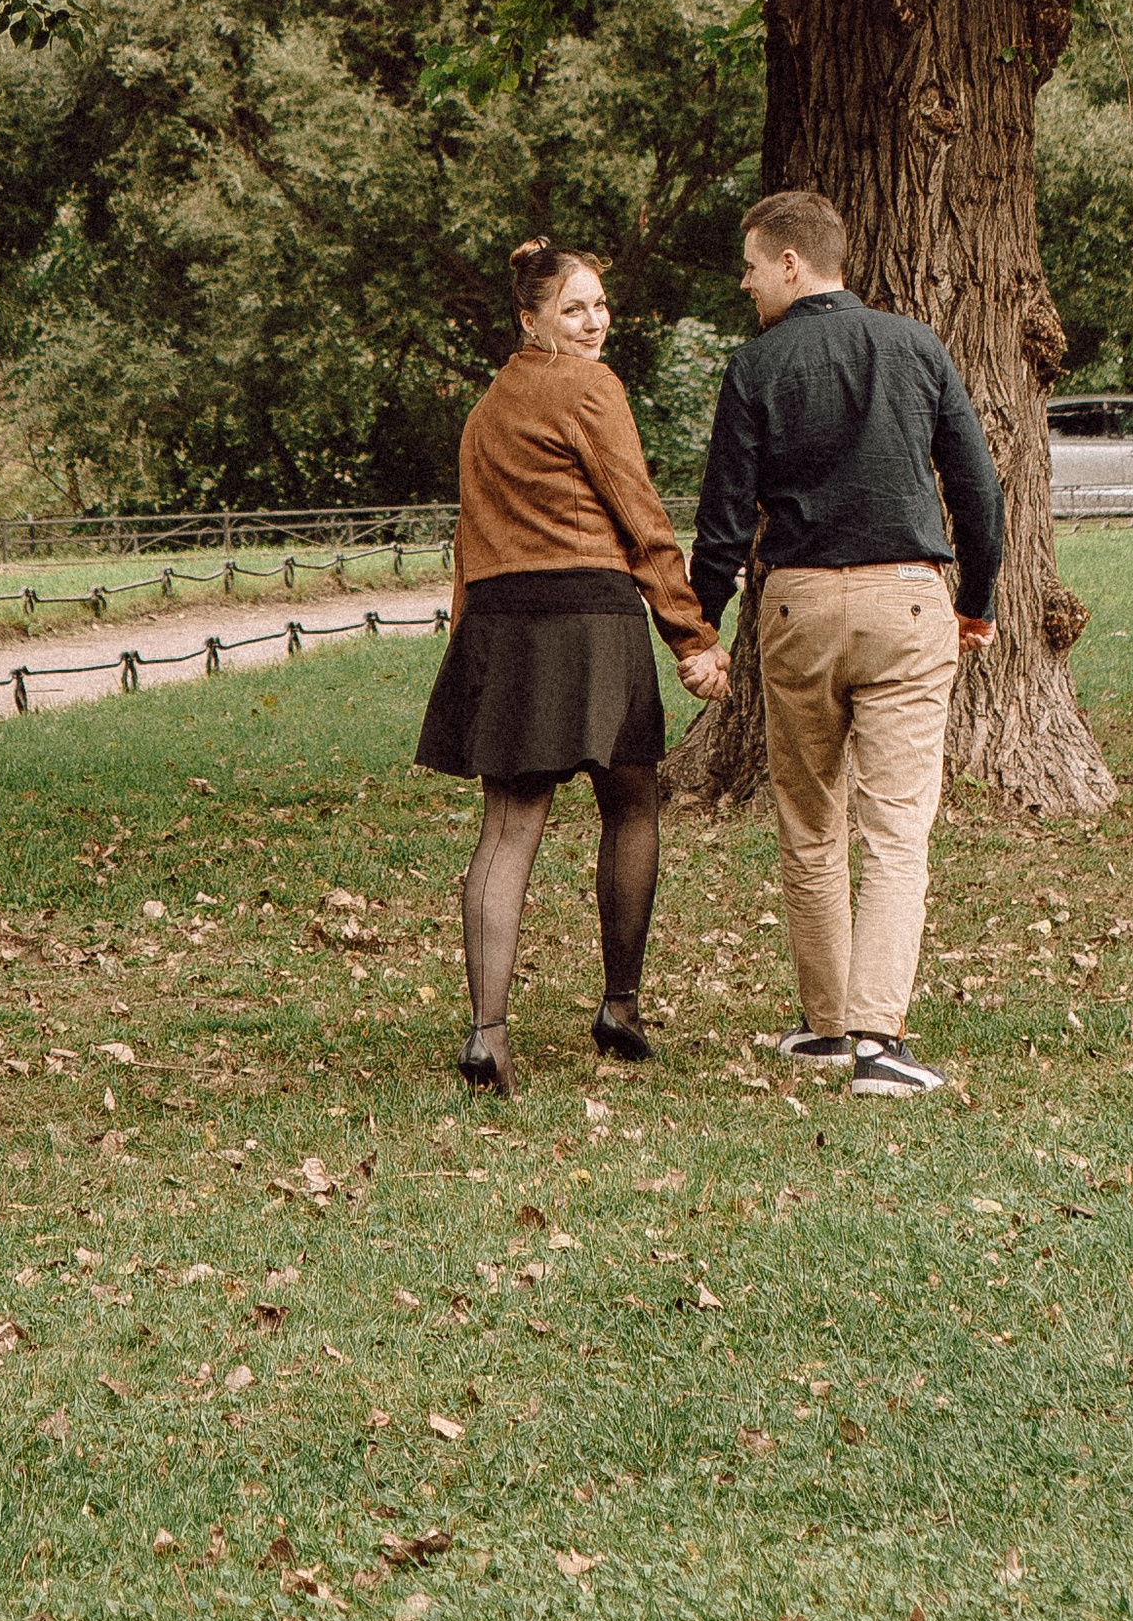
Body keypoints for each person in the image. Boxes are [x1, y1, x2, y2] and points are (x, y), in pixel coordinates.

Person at [688, 186, 1003, 1096]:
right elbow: (980, 492)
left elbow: (721, 520)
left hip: (794, 610)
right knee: (897, 830)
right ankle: (877, 1041)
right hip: (908, 603)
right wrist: (976, 604)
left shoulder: (754, 367)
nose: (746, 284)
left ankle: (826, 1025)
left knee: (810, 821)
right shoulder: (915, 347)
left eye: (751, 267)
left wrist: (703, 627)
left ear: (792, 263)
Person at [416, 239, 729, 1093]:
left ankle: (488, 1034)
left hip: (506, 627)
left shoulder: (485, 410)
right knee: (632, 805)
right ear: (532, 320)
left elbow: (469, 542)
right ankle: (618, 1007)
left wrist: (467, 645)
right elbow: (642, 517)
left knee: (509, 828)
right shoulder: (591, 387)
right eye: (573, 309)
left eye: (599, 306)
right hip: (591, 620)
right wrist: (693, 638)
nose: (594, 323)